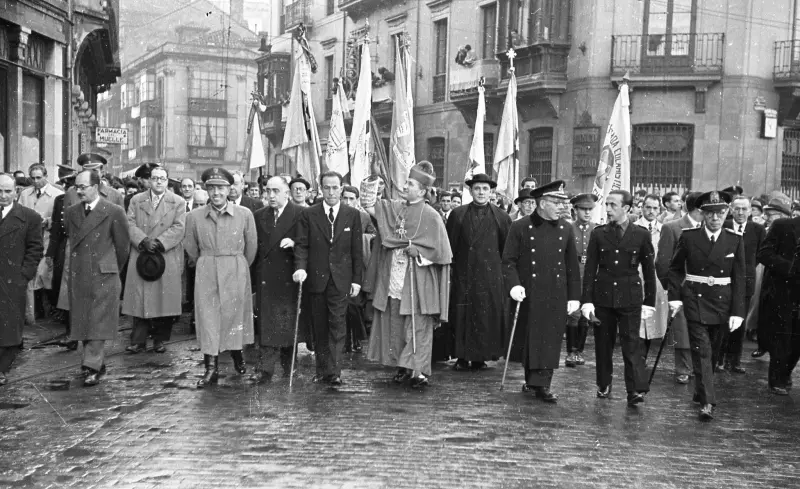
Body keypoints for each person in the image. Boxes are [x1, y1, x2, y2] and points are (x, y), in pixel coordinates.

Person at [364, 162, 452, 387]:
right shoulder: (396, 207)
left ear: (422, 191)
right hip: (395, 275)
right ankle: (402, 367)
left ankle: (419, 372)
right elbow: (369, 205)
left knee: (418, 327)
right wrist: (374, 179)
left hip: (418, 279)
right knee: (396, 325)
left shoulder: (432, 216)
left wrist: (420, 252)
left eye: (410, 183)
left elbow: (442, 254)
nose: (405, 186)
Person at [668, 191, 746, 420]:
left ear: (726, 214)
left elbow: (740, 277)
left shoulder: (734, 239)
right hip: (695, 299)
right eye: (710, 214)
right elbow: (675, 268)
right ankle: (708, 401)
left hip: (722, 302)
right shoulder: (690, 237)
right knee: (702, 350)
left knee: (712, 352)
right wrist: (675, 296)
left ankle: (701, 391)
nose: (715, 218)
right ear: (703, 214)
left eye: (720, 213)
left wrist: (738, 312)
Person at [502, 180, 580, 402]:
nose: (562, 207)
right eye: (557, 202)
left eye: (563, 203)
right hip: (529, 292)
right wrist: (514, 284)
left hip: (556, 293)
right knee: (532, 338)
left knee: (550, 339)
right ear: (542, 203)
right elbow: (508, 261)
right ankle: (533, 380)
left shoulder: (566, 228)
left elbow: (572, 266)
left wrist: (574, 296)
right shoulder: (519, 226)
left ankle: (542, 384)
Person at [581, 190, 656, 407]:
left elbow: (649, 270)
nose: (608, 209)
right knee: (603, 344)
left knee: (632, 344)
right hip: (603, 297)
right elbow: (590, 269)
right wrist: (587, 300)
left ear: (628, 209)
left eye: (614, 205)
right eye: (607, 205)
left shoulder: (641, 234)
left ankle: (635, 390)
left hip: (630, 297)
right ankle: (603, 384)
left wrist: (649, 302)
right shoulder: (599, 233)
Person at [184, 167, 257, 388]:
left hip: (235, 268)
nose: (216, 193)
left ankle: (237, 355)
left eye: (221, 188)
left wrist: (238, 265)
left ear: (230, 189)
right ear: (206, 190)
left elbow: (251, 247)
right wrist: (207, 262)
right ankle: (211, 368)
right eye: (212, 188)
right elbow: (190, 247)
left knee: (234, 316)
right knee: (208, 317)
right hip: (206, 268)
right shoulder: (194, 217)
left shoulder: (244, 214)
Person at [293, 171, 363, 385]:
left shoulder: (352, 214)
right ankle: (322, 369)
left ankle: (334, 371)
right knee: (320, 326)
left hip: (341, 280)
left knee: (337, 325)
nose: (331, 192)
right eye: (327, 187)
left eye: (335, 187)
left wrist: (356, 280)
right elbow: (302, 245)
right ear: (320, 189)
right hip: (316, 278)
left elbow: (356, 250)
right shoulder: (309, 214)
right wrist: (301, 268)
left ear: (341, 188)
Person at [64, 169, 130, 386]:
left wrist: (109, 268)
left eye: (83, 187)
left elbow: (123, 248)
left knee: (98, 322)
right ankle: (95, 363)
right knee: (83, 319)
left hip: (104, 275)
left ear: (97, 186)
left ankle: (92, 365)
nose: (79, 191)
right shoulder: (72, 212)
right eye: (76, 187)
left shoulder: (114, 211)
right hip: (80, 273)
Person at [445, 173, 512, 371]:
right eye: (477, 189)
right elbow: (451, 246)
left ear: (491, 191)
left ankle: (481, 356)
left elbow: (506, 250)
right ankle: (461, 356)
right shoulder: (458, 214)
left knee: (484, 317)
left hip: (489, 278)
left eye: (485, 189)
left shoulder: (501, 217)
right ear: (470, 191)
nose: (481, 192)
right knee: (462, 315)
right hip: (463, 275)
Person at [122, 166, 186, 354]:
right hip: (142, 253)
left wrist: (159, 242)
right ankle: (138, 340)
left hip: (165, 254)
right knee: (140, 299)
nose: (159, 182)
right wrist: (143, 240)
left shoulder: (178, 202)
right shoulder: (136, 200)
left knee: (163, 300)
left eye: (163, 179)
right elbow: (129, 223)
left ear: (167, 181)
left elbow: (179, 227)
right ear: (149, 180)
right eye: (155, 178)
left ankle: (160, 340)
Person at [250, 176, 304, 382]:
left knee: (287, 324)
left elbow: (308, 245)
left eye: (275, 191)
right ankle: (265, 369)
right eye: (268, 191)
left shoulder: (300, 214)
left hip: (288, 277)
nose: (270, 196)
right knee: (266, 323)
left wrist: (295, 243)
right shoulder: (259, 216)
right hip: (265, 278)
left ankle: (290, 365)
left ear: (286, 193)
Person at [0, 173, 44, 386]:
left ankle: (2, 368)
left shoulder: (30, 217)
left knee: (10, 327)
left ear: (16, 191)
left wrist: (23, 275)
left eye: (8, 191)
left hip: (12, 280)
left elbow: (35, 249)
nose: (3, 196)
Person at [656, 191, 703, 384]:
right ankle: (683, 368)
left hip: (705, 290)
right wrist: (672, 288)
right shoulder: (672, 228)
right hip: (682, 288)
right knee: (682, 330)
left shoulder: (710, 228)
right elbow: (663, 263)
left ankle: (699, 367)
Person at [718, 196, 765, 373]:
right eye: (737, 209)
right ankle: (719, 359)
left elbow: (761, 253)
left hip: (745, 282)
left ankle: (734, 361)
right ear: (731, 209)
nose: (740, 213)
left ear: (750, 210)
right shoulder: (724, 225)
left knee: (740, 322)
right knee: (722, 322)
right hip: (725, 281)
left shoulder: (757, 229)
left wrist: (745, 268)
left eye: (744, 209)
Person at [756, 206, 800, 395]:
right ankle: (776, 379)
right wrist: (789, 268)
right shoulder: (782, 226)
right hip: (782, 292)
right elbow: (764, 254)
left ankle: (786, 372)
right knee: (782, 336)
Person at [17, 163, 64, 323]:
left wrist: (48, 221)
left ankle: (52, 308)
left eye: (39, 177)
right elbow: (19, 213)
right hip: (28, 240)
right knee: (31, 274)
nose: (36, 181)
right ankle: (36, 310)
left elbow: (60, 220)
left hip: (48, 239)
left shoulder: (57, 194)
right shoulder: (25, 194)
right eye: (33, 178)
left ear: (46, 176)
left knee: (45, 274)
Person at [341, 185, 376, 352]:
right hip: (339, 266)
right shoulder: (336, 215)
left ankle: (356, 339)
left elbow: (373, 236)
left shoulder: (364, 217)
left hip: (358, 266)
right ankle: (346, 340)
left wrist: (361, 239)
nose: (348, 202)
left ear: (357, 200)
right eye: (345, 198)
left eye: (351, 199)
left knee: (355, 304)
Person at [564, 193, 597, 367]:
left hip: (589, 277)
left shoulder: (597, 229)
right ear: (575, 210)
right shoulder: (568, 229)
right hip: (573, 276)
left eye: (590, 209)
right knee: (573, 315)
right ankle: (571, 351)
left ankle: (579, 351)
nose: (587, 213)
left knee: (585, 315)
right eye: (583, 209)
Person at [634, 194, 669, 359]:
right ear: (642, 208)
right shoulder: (632, 228)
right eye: (648, 207)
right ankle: (637, 358)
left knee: (650, 321)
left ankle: (643, 357)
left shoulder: (664, 230)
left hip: (655, 282)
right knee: (636, 323)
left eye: (655, 208)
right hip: (635, 279)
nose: (651, 211)